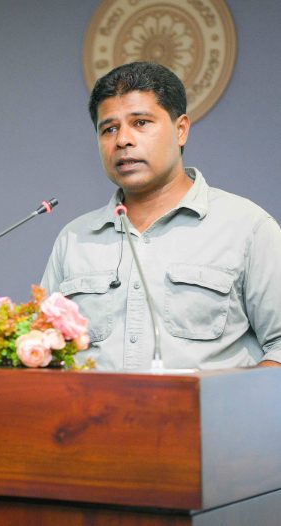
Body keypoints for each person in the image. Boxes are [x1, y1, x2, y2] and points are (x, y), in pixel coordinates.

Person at [41, 61, 281, 371]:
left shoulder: (247, 227)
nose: (122, 140)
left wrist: (239, 398)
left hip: (210, 405)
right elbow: (43, 348)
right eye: (109, 129)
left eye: (140, 123)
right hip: (92, 405)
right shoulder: (75, 239)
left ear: (181, 130)